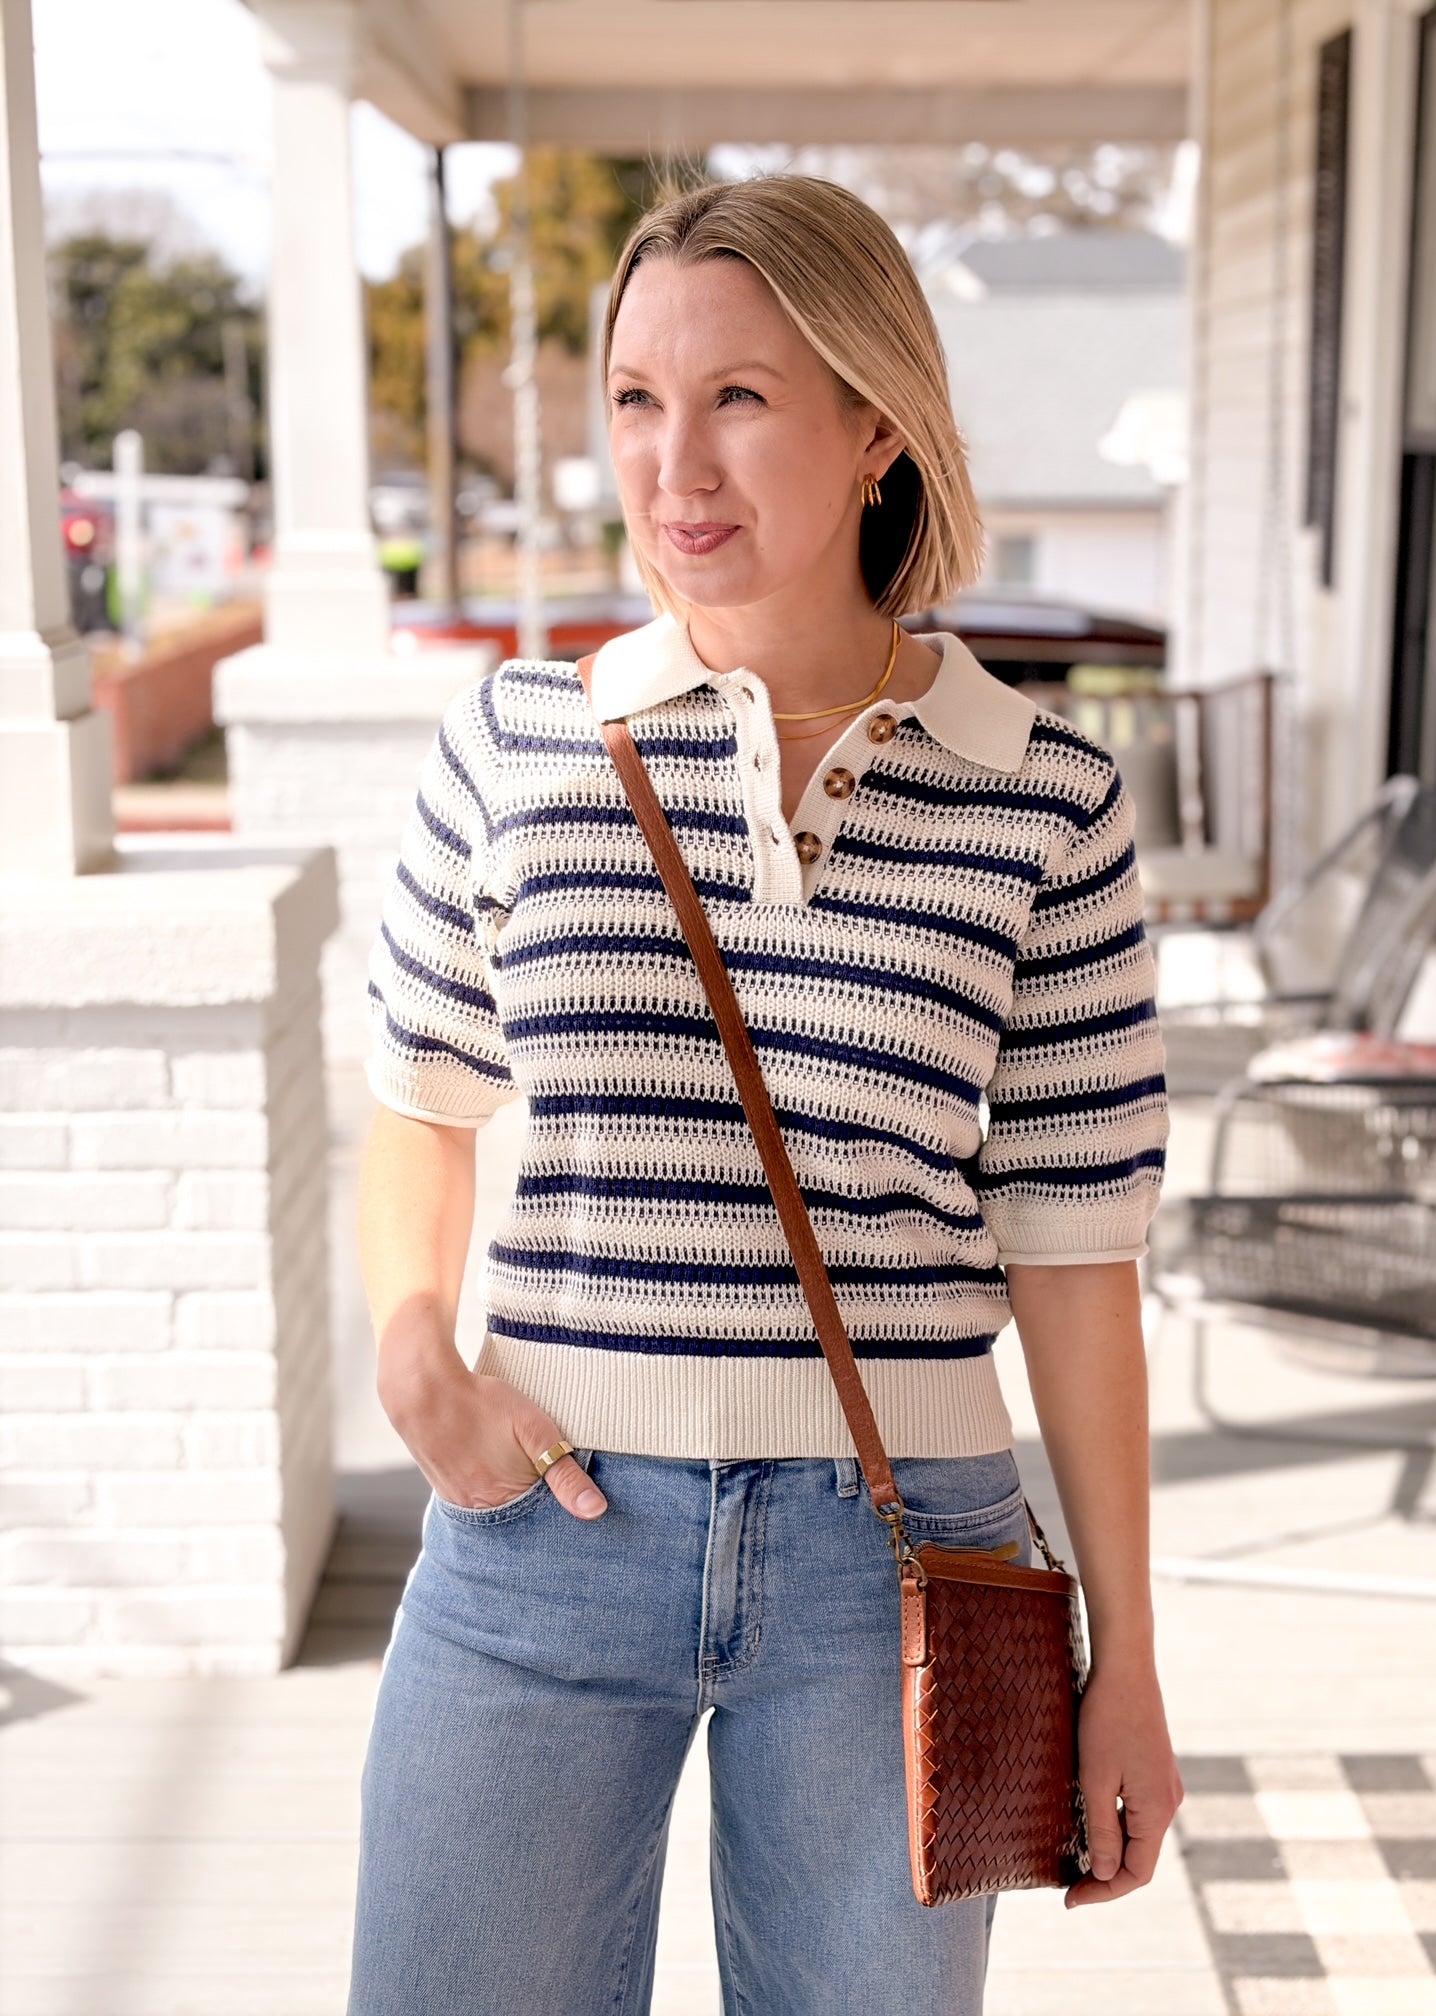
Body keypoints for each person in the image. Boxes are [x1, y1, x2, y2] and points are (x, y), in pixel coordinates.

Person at [346, 173, 1182, 2016]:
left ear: (875, 422)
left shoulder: (1044, 798)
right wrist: (418, 1355)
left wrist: (1126, 1653)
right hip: (544, 1538)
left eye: (737, 396)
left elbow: (1072, 1254)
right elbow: (418, 1098)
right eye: (638, 399)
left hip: (898, 1569)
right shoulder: (521, 741)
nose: (674, 464)